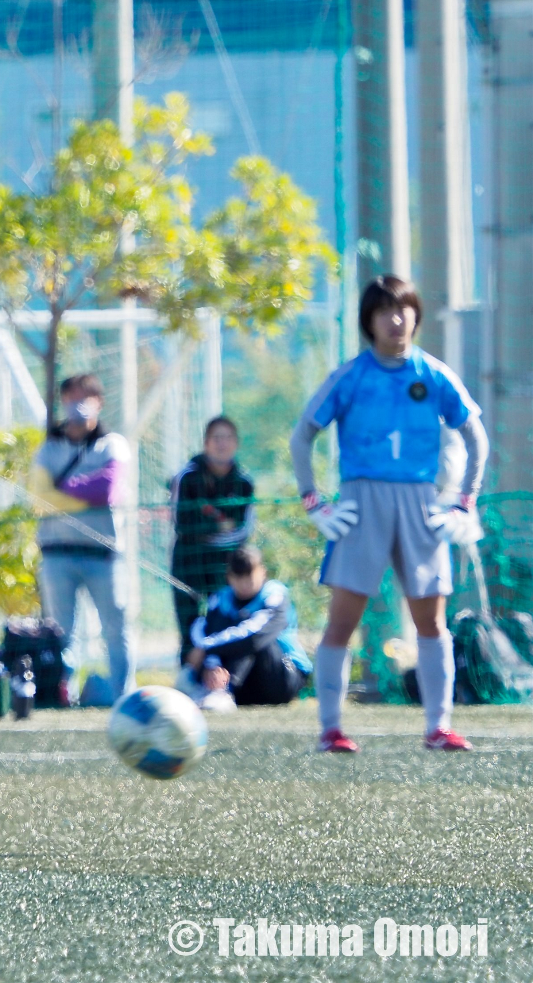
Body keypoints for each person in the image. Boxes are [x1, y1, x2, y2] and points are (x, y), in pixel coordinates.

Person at [291, 275, 488, 753]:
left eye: (403, 309)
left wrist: (464, 501)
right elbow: (303, 436)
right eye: (384, 311)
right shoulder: (351, 376)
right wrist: (314, 501)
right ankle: (331, 730)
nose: (396, 320)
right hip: (361, 504)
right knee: (342, 621)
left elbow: (474, 436)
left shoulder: (433, 373)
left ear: (416, 315)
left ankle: (438, 728)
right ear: (369, 321)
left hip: (421, 504)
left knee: (431, 621)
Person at [28, 374, 134, 702]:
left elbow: (107, 489)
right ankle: (63, 695)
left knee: (115, 629)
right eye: (72, 397)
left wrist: (62, 490)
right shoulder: (48, 448)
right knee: (60, 632)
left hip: (103, 555)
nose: (78, 404)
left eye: (85, 397)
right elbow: (39, 499)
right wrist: (82, 491)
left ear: (99, 402)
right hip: (56, 555)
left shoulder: (113, 445)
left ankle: (124, 696)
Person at [177, 546, 311, 712]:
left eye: (250, 576)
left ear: (262, 572)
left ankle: (223, 691)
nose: (244, 583)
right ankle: (209, 688)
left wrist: (205, 647)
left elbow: (254, 636)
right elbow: (205, 630)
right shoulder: (220, 599)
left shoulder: (275, 596)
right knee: (224, 640)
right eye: (238, 577)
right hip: (245, 685)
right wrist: (212, 665)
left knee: (249, 640)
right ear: (229, 577)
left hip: (283, 678)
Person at [169, 417, 256, 665]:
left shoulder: (244, 482)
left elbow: (242, 529)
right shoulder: (187, 477)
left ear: (236, 443)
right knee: (189, 624)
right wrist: (220, 524)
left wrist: (206, 526)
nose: (222, 444)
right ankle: (190, 674)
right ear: (206, 443)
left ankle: (227, 677)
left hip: (226, 564)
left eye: (227, 438)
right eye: (216, 438)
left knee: (226, 621)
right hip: (188, 560)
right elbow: (182, 523)